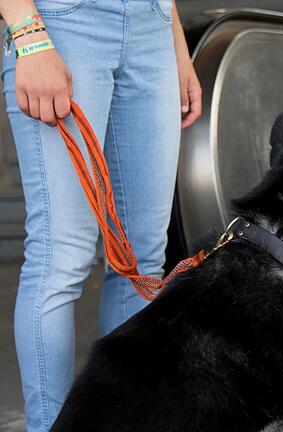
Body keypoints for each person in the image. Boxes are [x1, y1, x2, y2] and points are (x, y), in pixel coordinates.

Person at [0, 0, 202, 430]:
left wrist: (177, 44)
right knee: (62, 259)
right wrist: (27, 31)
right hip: (65, 19)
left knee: (141, 262)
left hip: (154, 27)